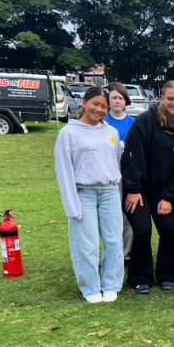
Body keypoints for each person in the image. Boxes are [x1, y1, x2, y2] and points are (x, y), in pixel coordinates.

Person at [54, 85, 123, 303]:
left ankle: (111, 284)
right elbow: (64, 170)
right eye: (95, 104)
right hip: (84, 193)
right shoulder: (68, 133)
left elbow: (117, 164)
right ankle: (91, 287)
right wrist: (71, 205)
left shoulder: (111, 132)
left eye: (104, 106)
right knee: (87, 244)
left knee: (113, 241)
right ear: (84, 103)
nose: (100, 109)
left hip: (110, 192)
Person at [121, 80, 174, 294]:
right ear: (161, 98)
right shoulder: (145, 121)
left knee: (169, 230)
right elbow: (132, 156)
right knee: (142, 231)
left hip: (164, 192)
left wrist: (169, 197)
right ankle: (140, 276)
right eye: (171, 98)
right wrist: (132, 189)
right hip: (139, 190)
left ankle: (168, 274)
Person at [104, 82, 135, 264]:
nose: (117, 101)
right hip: (108, 175)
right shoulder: (102, 121)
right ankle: (111, 252)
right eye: (114, 97)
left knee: (127, 215)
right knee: (110, 215)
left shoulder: (133, 123)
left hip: (127, 175)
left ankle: (126, 252)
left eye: (121, 98)